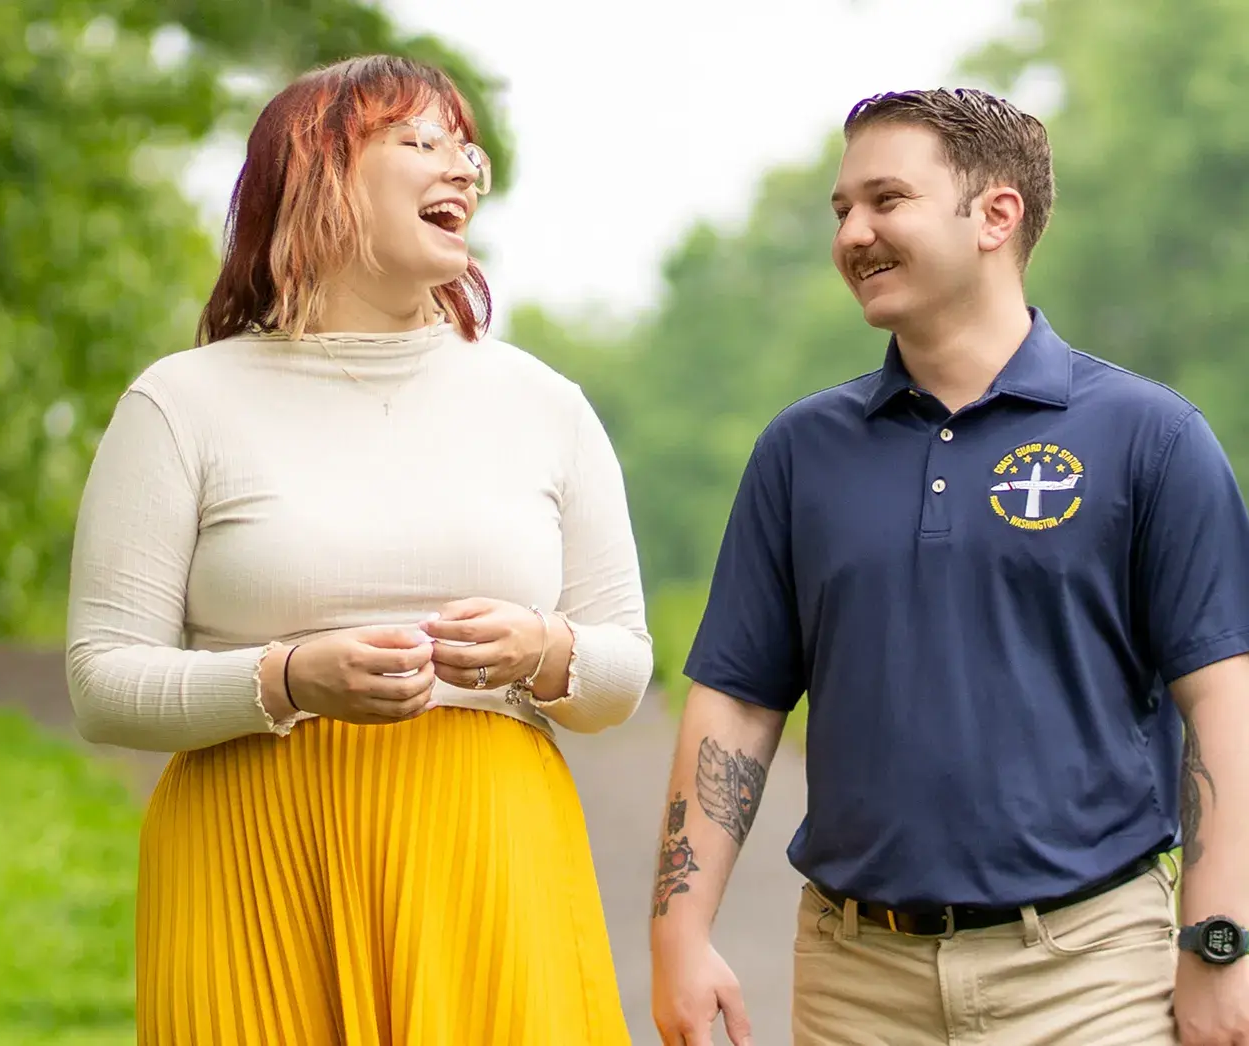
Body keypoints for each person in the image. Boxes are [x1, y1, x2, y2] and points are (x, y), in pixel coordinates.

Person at [63, 53, 655, 1044]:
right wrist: (287, 677)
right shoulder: (181, 403)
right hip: (250, 863)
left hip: (487, 858)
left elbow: (623, 669)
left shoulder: (544, 405)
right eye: (419, 143)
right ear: (318, 173)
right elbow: (102, 680)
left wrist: (543, 651)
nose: (460, 169)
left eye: (466, 151)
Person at [648, 86, 1249, 1046]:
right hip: (854, 985)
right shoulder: (802, 451)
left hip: (1090, 974)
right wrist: (678, 932)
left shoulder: (1151, 437)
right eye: (842, 210)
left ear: (995, 215)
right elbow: (738, 702)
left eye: (887, 200)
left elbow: (1222, 697)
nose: (854, 232)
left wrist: (1218, 942)